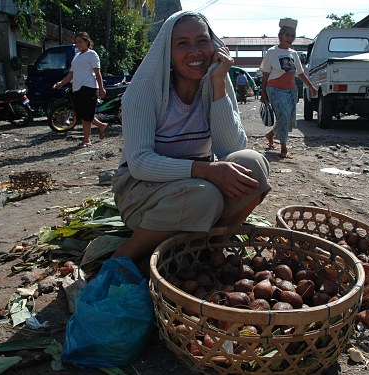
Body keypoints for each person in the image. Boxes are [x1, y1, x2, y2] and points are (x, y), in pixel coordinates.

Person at [109, 11, 271, 264]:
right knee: (204, 195)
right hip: (142, 192)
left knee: (253, 165)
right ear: (168, 52)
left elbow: (233, 148)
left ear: (214, 46)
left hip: (197, 189)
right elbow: (139, 163)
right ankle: (129, 253)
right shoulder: (143, 91)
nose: (195, 51)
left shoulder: (216, 82)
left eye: (202, 41)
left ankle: (213, 244)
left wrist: (218, 84)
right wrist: (206, 170)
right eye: (183, 44)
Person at [259, 18, 317, 158]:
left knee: (287, 118)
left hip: (291, 91)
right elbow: (265, 74)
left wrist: (311, 86)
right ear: (280, 36)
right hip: (275, 91)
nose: (290, 38)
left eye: (292, 36)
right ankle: (283, 149)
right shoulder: (272, 53)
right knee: (283, 116)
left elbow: (300, 73)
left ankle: (270, 135)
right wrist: (263, 93)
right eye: (287, 35)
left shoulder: (293, 53)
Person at [53, 32, 108, 147]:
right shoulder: (77, 57)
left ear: (87, 42)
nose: (78, 44)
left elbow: (98, 73)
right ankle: (102, 126)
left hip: (89, 87)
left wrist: (101, 88)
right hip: (77, 88)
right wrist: (61, 83)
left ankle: (87, 140)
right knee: (83, 114)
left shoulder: (92, 54)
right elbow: (71, 74)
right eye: (76, 42)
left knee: (86, 115)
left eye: (80, 42)